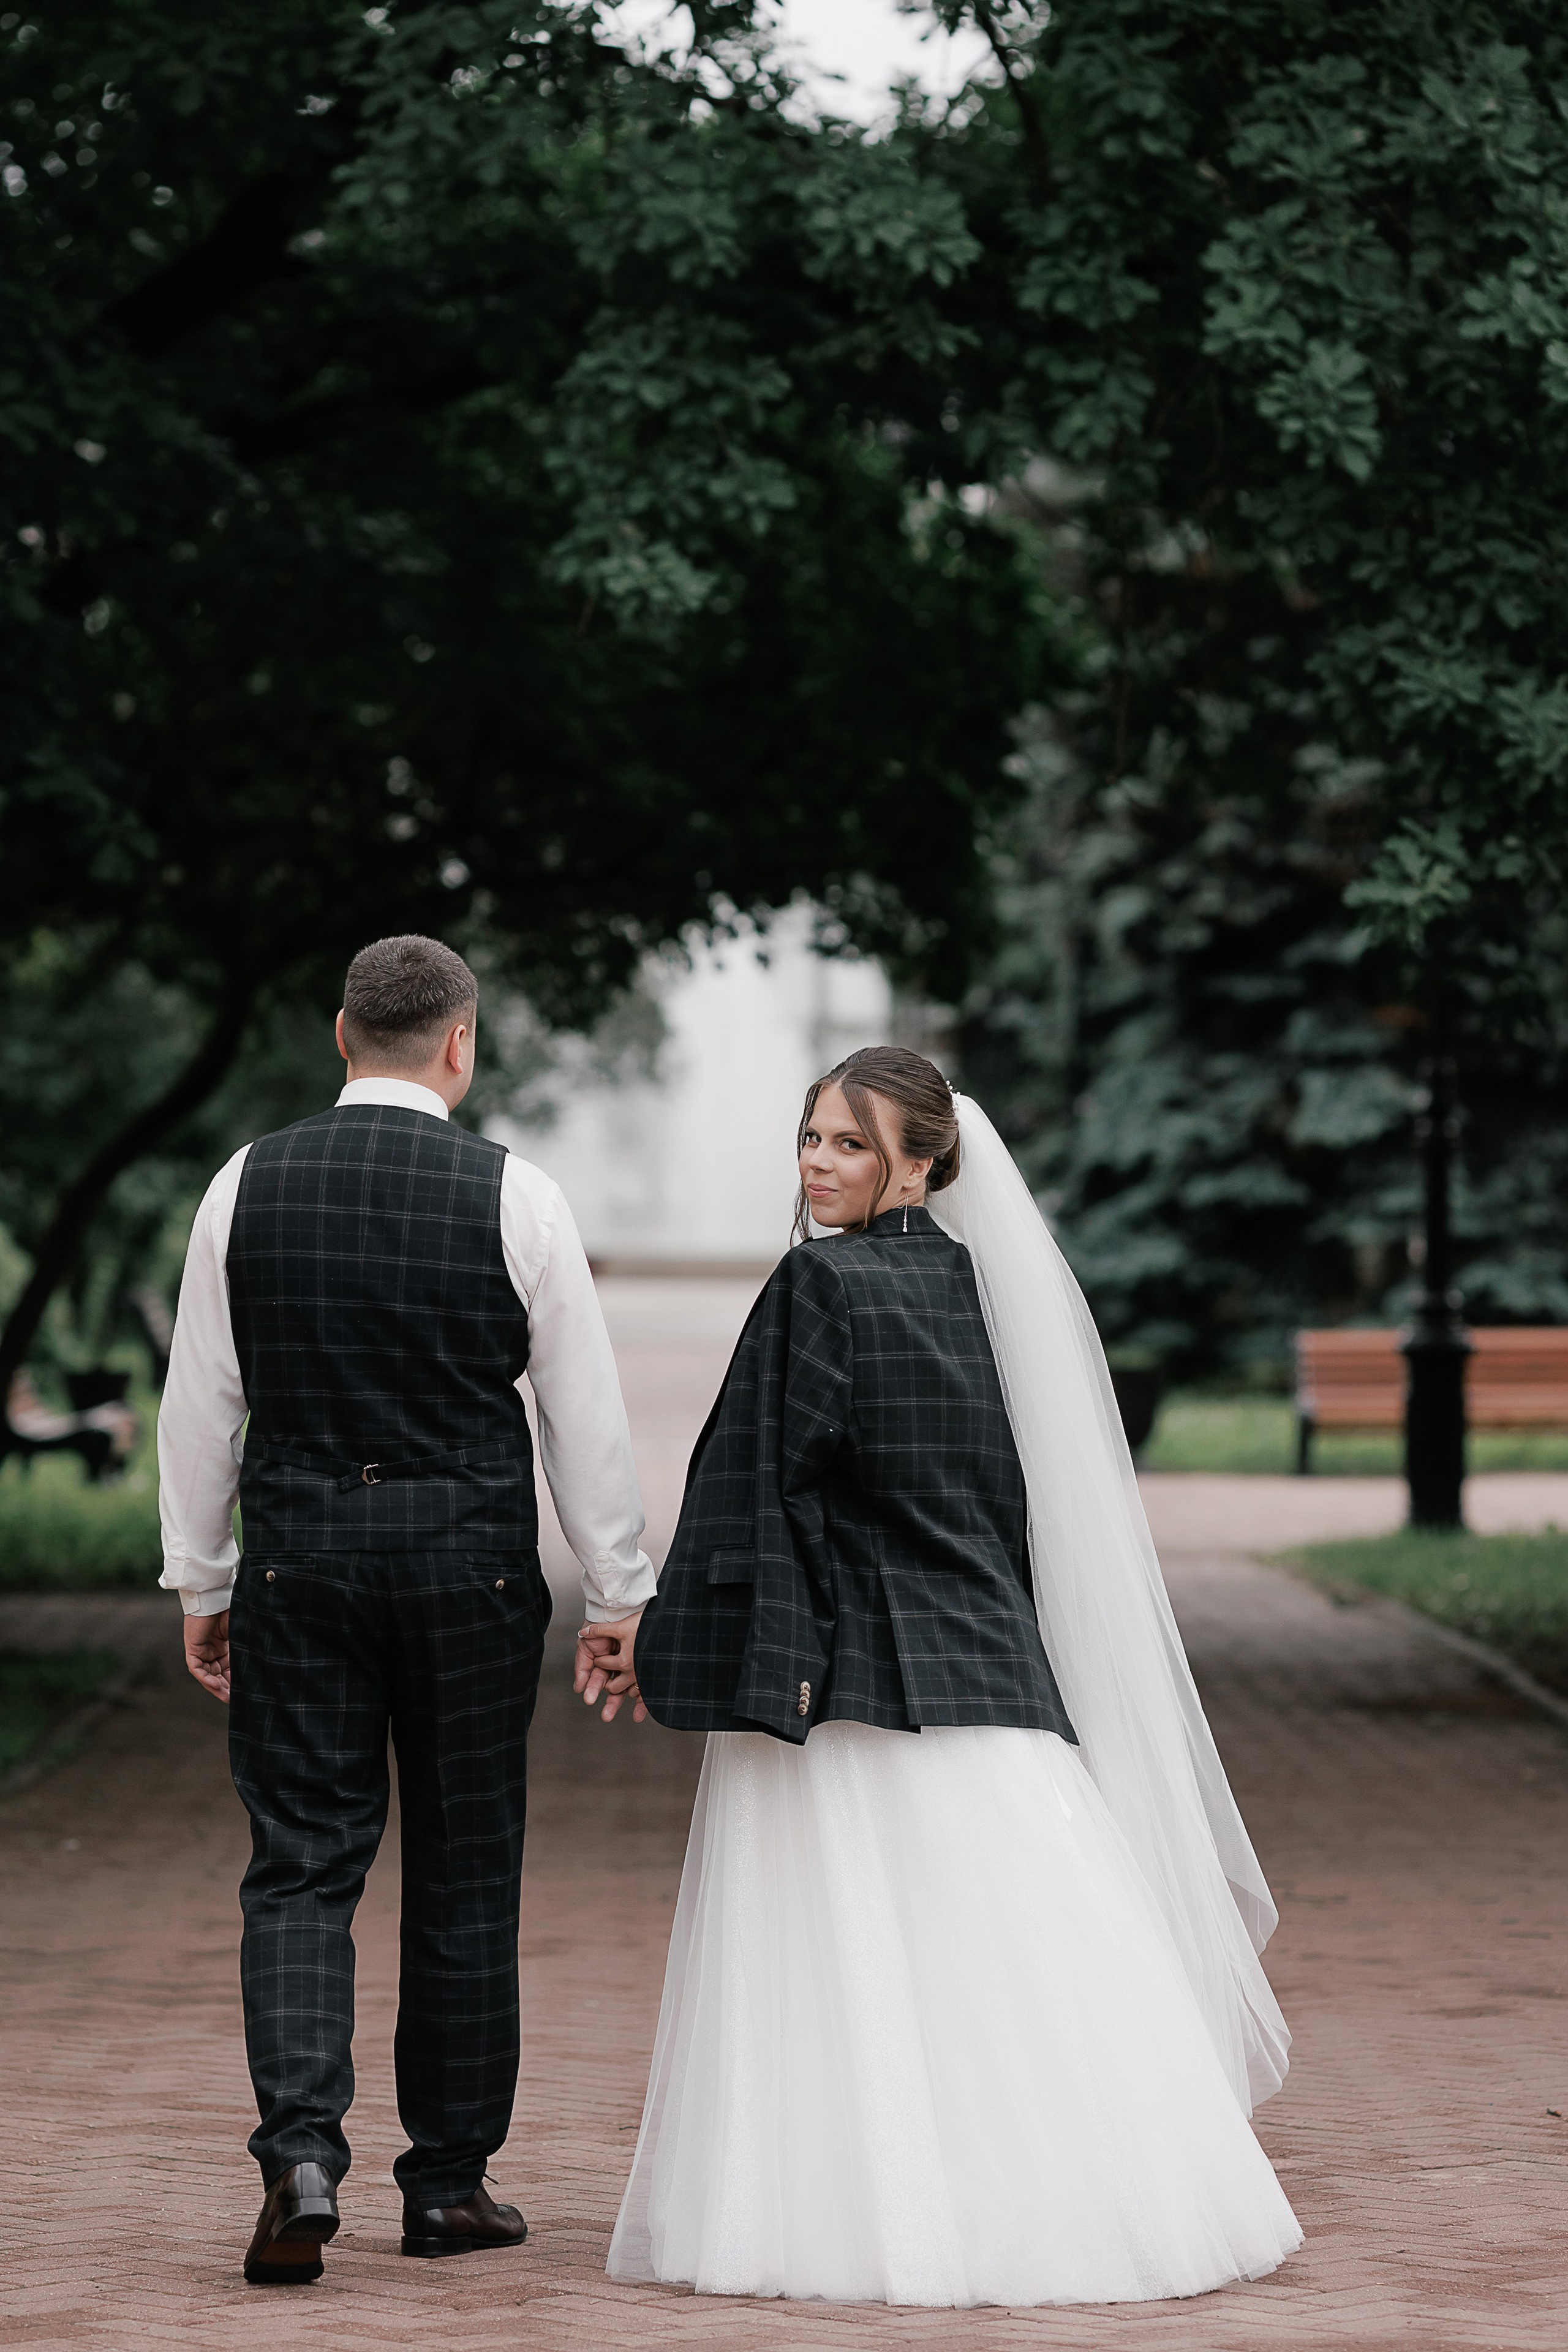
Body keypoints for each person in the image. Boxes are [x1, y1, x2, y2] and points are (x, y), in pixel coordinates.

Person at [579, 1046, 1302, 2308]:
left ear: (920, 1163)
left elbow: (757, 1489)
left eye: (850, 1144)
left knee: (845, 1967)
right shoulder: (996, 1296)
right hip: (989, 1664)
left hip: (849, 1677)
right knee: (1025, 1959)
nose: (817, 1165)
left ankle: (860, 2222)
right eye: (810, 1137)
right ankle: (1121, 2209)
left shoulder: (817, 1285)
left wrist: (661, 1629)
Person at [158, 934, 655, 2285]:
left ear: (341, 1035)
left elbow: (203, 1404)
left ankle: (300, 2159)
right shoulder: (519, 1197)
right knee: (463, 1868)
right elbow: (582, 1419)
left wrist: (202, 1579)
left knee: (299, 1867)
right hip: (467, 1574)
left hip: (300, 1567)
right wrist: (618, 1589)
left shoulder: (242, 1185)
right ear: (460, 1044)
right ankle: (444, 2188)